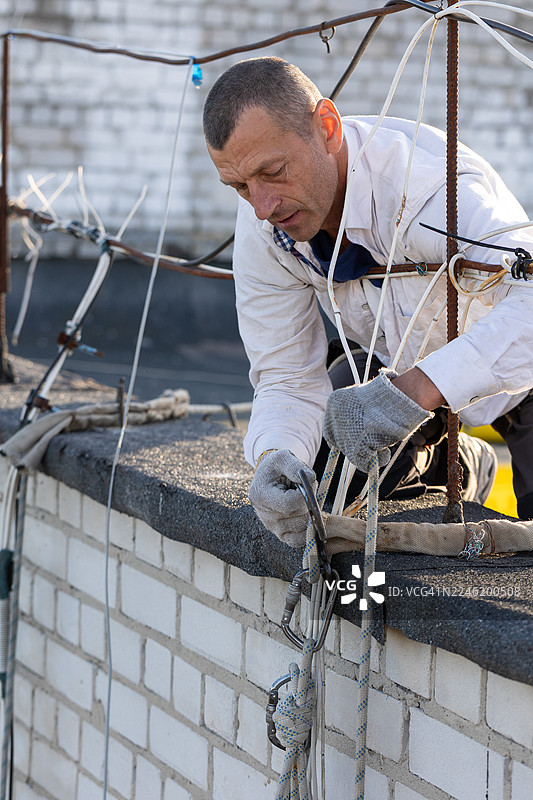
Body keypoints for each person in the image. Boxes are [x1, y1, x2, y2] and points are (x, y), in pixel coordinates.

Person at [202, 56, 533, 546]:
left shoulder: (431, 192)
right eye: (239, 186)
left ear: (327, 127)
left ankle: (459, 451)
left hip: (521, 376)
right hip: (391, 369)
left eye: (273, 172)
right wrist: (274, 454)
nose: (262, 207)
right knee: (312, 485)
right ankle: (452, 459)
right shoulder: (263, 222)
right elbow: (286, 375)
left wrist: (416, 392)